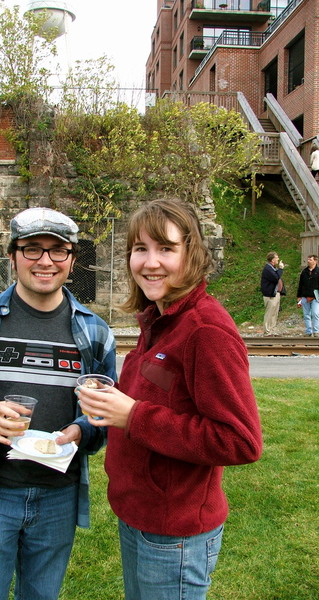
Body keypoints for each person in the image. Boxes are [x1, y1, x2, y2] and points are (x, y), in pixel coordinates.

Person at [76, 199, 263, 600]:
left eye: (165, 248)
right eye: (140, 249)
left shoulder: (205, 330)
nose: (150, 262)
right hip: (139, 517)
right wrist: (113, 405)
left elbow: (240, 441)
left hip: (174, 535)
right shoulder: (160, 317)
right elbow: (158, 398)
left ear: (191, 253)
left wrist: (134, 416)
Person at [0, 207, 116, 600]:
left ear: (72, 260)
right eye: (32, 249)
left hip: (58, 498)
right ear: (12, 256)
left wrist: (82, 430)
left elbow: (105, 417)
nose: (45, 261)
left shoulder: (96, 334)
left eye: (57, 250)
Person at [260, 251, 285, 336]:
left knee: (275, 313)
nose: (278, 259)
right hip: (270, 295)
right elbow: (275, 278)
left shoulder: (273, 268)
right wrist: (281, 269)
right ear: (272, 260)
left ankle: (272, 330)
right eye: (276, 257)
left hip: (275, 294)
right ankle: (267, 332)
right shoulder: (268, 268)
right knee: (270, 313)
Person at [296, 254, 319, 336]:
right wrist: (299, 296)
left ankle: (316, 331)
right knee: (306, 315)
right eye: (308, 259)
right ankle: (308, 332)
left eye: (310, 259)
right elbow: (300, 284)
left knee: (315, 314)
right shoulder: (304, 272)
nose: (308, 261)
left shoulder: (318, 271)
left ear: (315, 261)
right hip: (305, 296)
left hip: (315, 297)